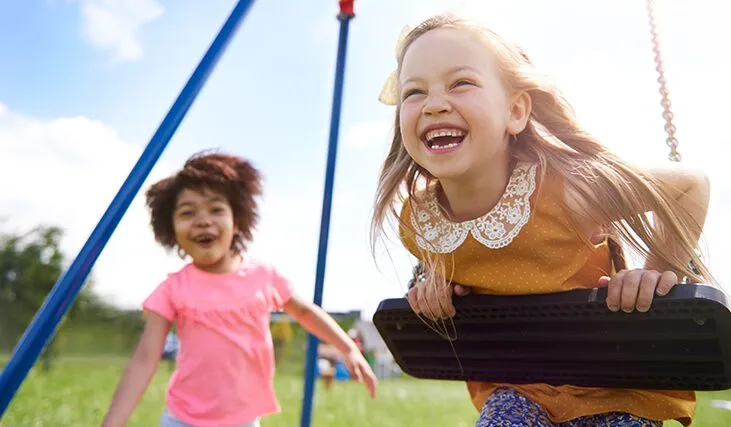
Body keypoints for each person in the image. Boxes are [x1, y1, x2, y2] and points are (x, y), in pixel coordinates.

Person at [370, 14, 715, 427]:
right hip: (520, 389)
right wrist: (431, 289)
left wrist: (656, 271)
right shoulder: (420, 222)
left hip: (617, 386)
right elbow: (455, 269)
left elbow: (690, 185)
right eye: (414, 91)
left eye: (461, 83)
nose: (435, 103)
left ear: (515, 111)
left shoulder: (565, 192)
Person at [102, 151, 377, 427]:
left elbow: (305, 312)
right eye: (188, 212)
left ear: (236, 222)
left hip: (242, 420)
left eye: (216, 209)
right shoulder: (173, 288)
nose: (203, 220)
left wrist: (347, 349)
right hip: (182, 419)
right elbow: (145, 359)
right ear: (171, 230)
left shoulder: (262, 276)